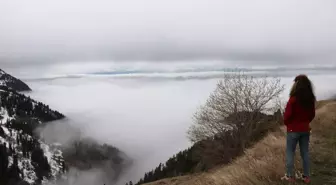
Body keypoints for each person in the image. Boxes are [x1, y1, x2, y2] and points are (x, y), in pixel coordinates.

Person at [281, 74, 316, 183]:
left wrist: (288, 124)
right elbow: (312, 114)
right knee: (305, 152)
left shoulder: (293, 100)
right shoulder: (310, 99)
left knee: (290, 152)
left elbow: (287, 116)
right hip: (305, 129)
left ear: (296, 84)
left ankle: (289, 176)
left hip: (293, 130)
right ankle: (306, 177)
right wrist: (305, 123)